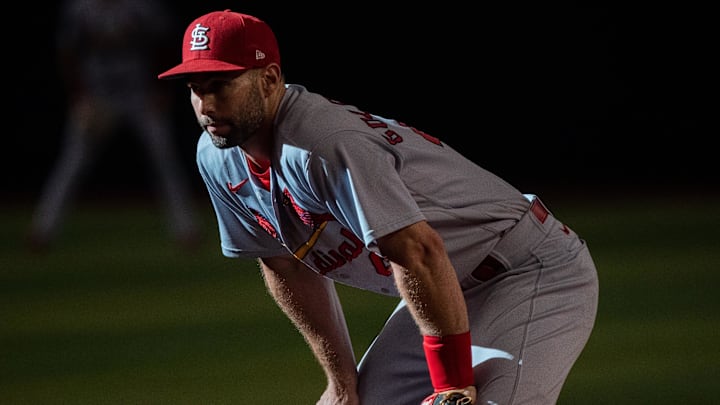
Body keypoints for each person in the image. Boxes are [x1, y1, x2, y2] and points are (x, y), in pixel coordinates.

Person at [157, 9, 599, 405]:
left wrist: (452, 383)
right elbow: (284, 266)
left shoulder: (320, 146)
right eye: (195, 89)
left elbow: (417, 251)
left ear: (270, 79)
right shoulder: (216, 156)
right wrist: (342, 382)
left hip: (525, 269)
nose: (206, 105)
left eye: (221, 86)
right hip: (443, 288)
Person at [26, 0, 201, 252]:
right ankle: (43, 230)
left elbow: (165, 42)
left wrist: (161, 89)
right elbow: (67, 52)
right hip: (98, 96)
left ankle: (187, 229)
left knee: (164, 160)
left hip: (138, 94)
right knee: (73, 162)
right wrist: (79, 96)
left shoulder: (141, 7)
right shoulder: (80, 8)